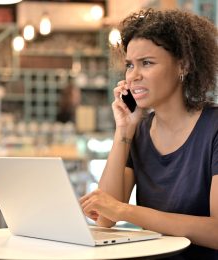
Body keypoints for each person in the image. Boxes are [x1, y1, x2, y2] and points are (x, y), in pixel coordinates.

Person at [80, 8, 218, 259]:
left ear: (183, 66)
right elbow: (104, 218)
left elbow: (216, 232)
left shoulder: (214, 128)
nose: (134, 76)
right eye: (130, 65)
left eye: (147, 63)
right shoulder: (139, 132)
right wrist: (125, 128)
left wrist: (125, 211)